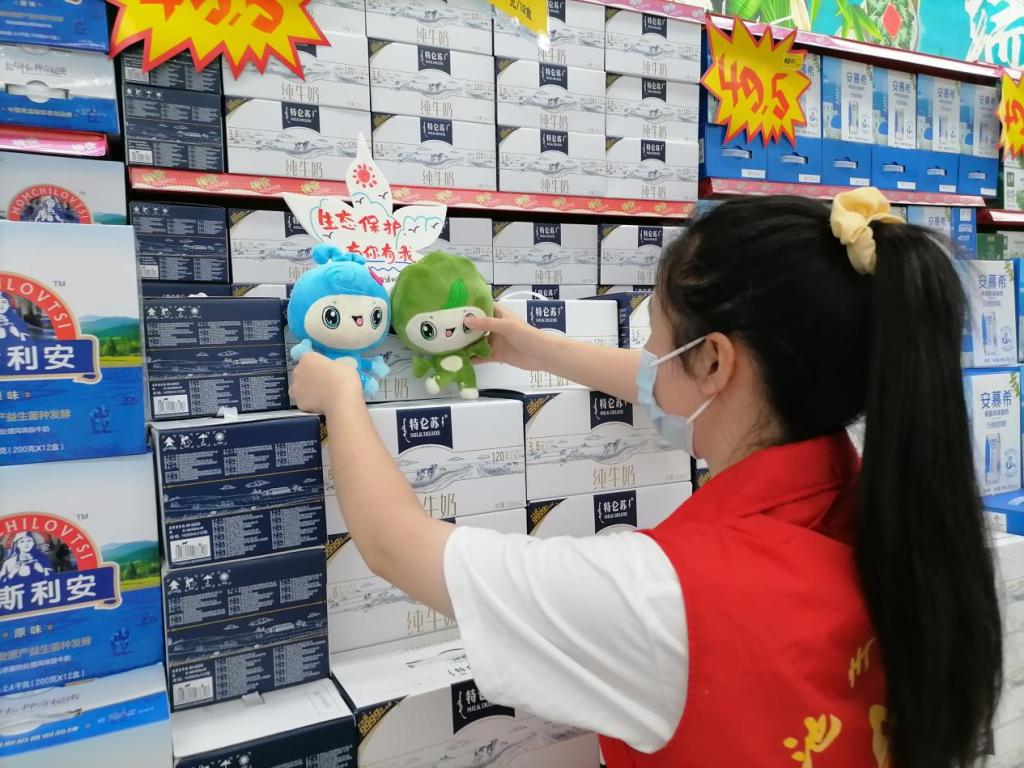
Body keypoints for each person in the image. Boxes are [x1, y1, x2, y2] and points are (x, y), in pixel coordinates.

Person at [291, 189, 1002, 768]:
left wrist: (342, 399)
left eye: (656, 333)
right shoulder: (885, 507)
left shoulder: (661, 597)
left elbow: (395, 543)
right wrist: (535, 348)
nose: (648, 354)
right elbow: (672, 387)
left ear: (715, 361)